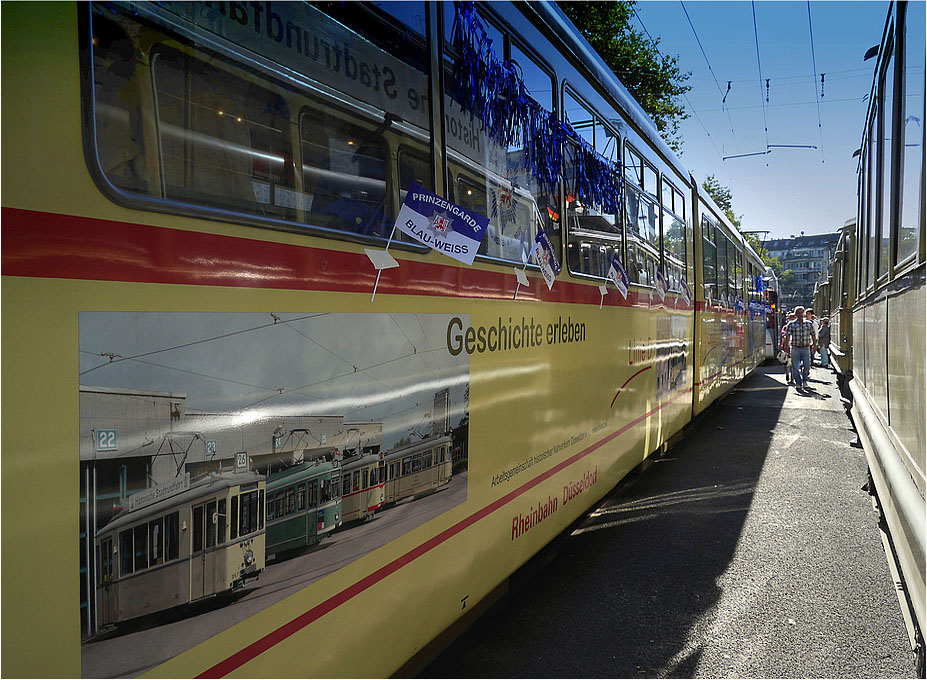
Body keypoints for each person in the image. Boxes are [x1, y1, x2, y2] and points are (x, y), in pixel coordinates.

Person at [782, 306, 818, 391]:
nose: (800, 314)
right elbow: (787, 335)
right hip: (795, 348)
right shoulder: (791, 324)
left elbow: (813, 335)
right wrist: (786, 346)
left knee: (807, 365)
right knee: (795, 367)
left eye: (802, 313)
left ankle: (805, 380)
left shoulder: (808, 324)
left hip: (806, 348)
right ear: (796, 314)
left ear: (804, 314)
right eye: (798, 313)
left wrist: (815, 345)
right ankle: (798, 383)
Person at [781, 311, 796, 384]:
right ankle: (787, 374)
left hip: (794, 347)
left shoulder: (798, 326)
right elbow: (783, 334)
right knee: (786, 363)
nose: (792, 318)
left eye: (794, 317)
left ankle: (792, 378)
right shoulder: (785, 327)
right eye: (791, 317)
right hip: (786, 347)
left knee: (793, 364)